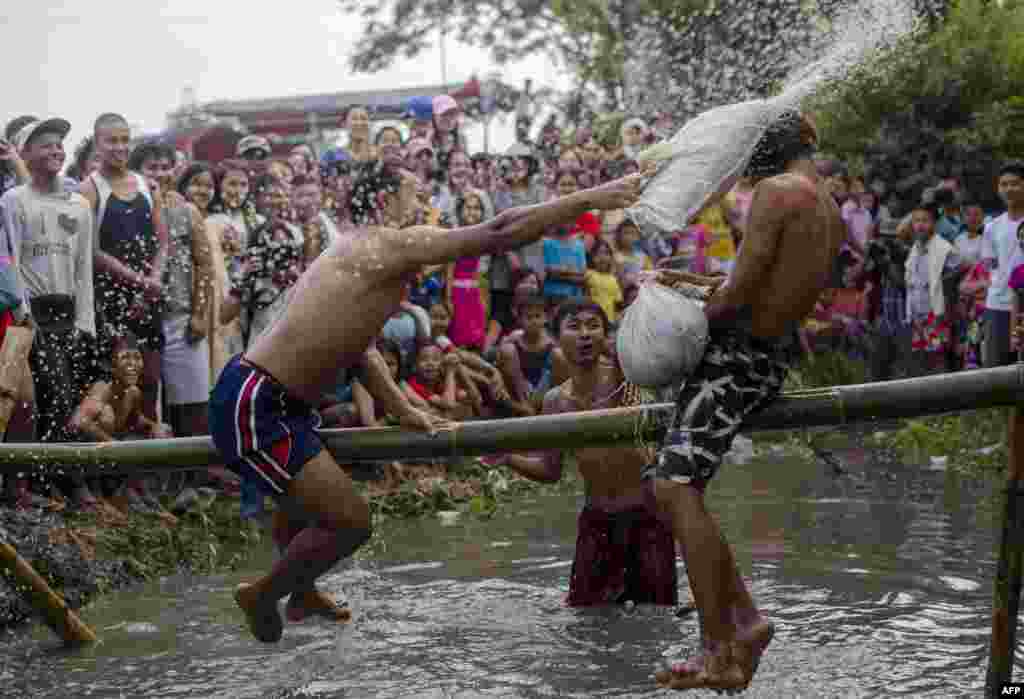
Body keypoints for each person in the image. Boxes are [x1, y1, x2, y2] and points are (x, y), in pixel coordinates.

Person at [208, 166, 642, 643]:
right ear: (387, 199)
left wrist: (403, 407)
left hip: (278, 400)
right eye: (415, 192)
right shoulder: (389, 243)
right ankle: (262, 594)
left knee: (307, 506)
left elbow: (360, 349)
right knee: (350, 522)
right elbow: (501, 230)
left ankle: (302, 588)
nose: (424, 202)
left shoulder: (357, 249)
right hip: (259, 401)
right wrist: (595, 196)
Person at [651, 110, 845, 692]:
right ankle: (745, 623)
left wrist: (679, 324)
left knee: (673, 487)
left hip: (736, 359)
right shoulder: (828, 205)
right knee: (669, 486)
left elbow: (742, 292)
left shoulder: (774, 192)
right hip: (770, 357)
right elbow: (770, 285)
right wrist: (699, 287)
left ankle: (722, 647)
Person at [489, 298, 678, 607]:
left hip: (648, 517)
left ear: (606, 335)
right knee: (586, 616)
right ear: (556, 338)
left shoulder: (625, 381)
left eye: (594, 326)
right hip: (596, 521)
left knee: (656, 617)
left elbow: (628, 352)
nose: (585, 334)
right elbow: (550, 471)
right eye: (574, 327)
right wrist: (507, 458)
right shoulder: (554, 402)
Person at [0, 117, 97, 505]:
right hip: (34, 312)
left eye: (59, 144)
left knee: (69, 395)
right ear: (24, 154)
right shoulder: (13, 200)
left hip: (69, 310)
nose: (55, 150)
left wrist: (86, 321)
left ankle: (55, 481)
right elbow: (14, 259)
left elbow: (83, 267)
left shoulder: (79, 205)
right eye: (45, 144)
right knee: (48, 394)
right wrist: (24, 312)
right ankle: (69, 483)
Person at [80, 113, 167, 424]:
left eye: (124, 140)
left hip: (150, 297)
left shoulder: (147, 186)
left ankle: (157, 464)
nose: (119, 147)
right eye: (111, 140)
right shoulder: (89, 189)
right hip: (110, 300)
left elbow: (162, 242)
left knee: (151, 381)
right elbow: (91, 251)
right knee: (118, 383)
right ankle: (120, 463)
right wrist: (138, 280)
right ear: (97, 144)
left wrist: (154, 279)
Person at [981, 162, 1024, 369]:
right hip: (998, 305)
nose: (1009, 189)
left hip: (1023, 305)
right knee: (995, 371)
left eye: (1014, 184)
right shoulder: (991, 227)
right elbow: (991, 267)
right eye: (1004, 184)